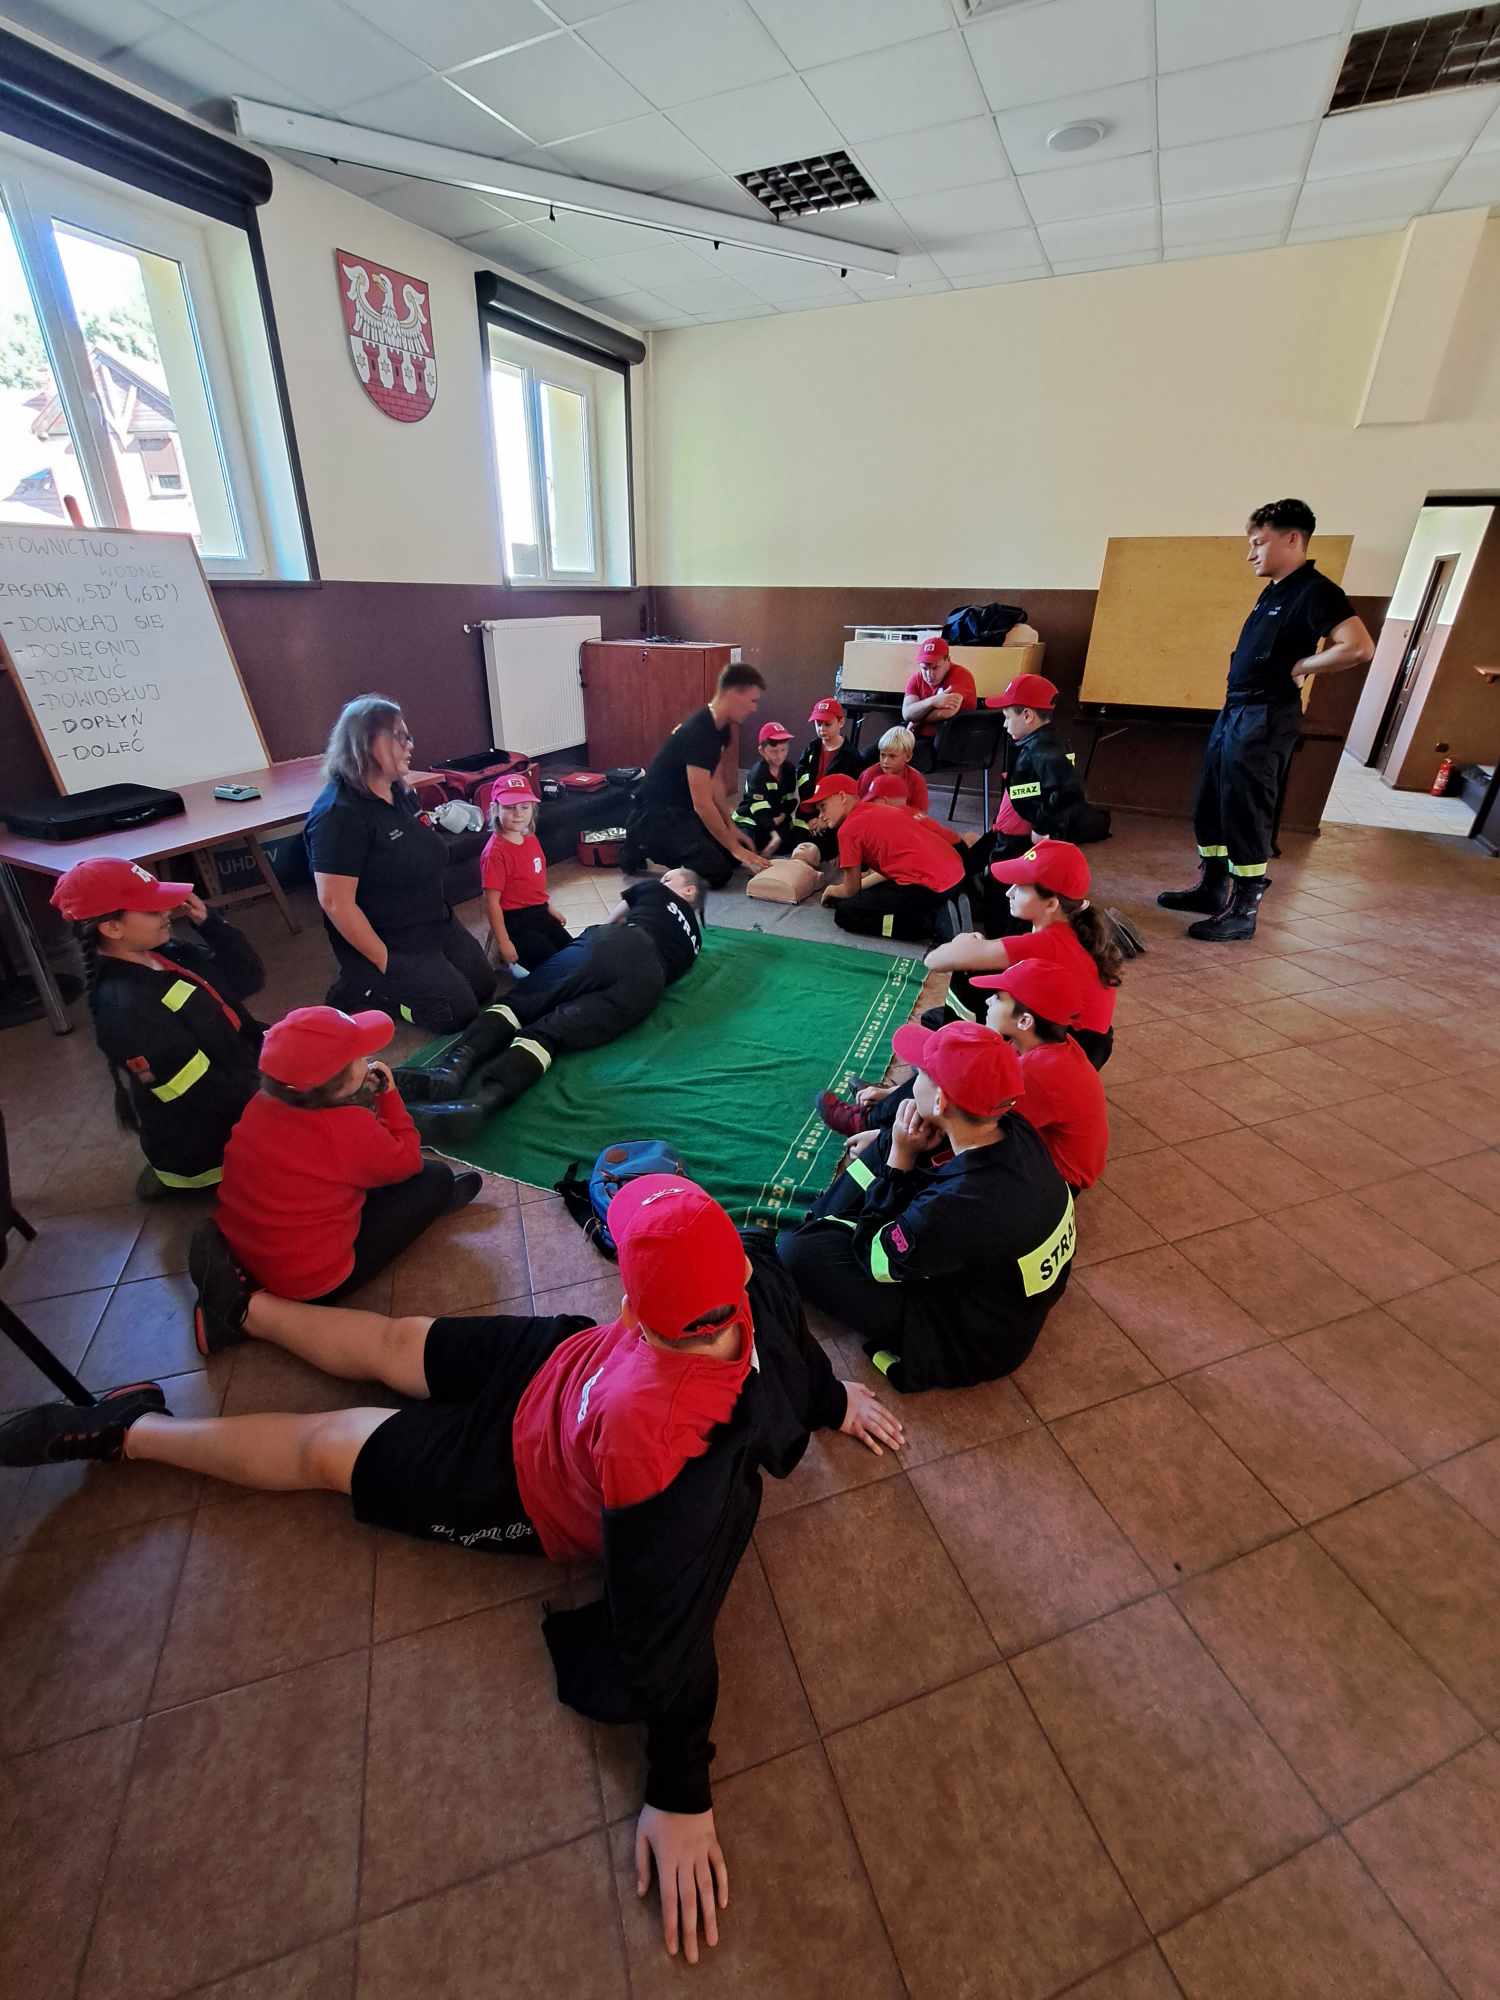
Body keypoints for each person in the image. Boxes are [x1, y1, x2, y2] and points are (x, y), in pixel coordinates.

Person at [0, 1175, 906, 1967]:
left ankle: (130, 1432)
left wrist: (680, 1790)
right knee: (400, 1343)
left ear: (632, 1312)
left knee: (329, 1447)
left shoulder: (656, 1447)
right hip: (561, 1364)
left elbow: (663, 1614)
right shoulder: (749, 1282)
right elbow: (792, 1356)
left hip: (517, 1480)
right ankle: (249, 1313)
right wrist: (833, 1399)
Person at [778, 1021, 1075, 1392]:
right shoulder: (1013, 1129)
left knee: (798, 1251)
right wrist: (894, 1146)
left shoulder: (959, 1205)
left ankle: (824, 1222)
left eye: (920, 1073)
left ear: (941, 1101)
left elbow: (878, 1261)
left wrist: (899, 1161)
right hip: (1001, 1303)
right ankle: (826, 1215)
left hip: (969, 1340)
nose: (913, 1078)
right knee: (901, 1134)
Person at [1158, 499, 1373, 942]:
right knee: (1212, 801)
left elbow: (1357, 646)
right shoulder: (1275, 590)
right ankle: (1213, 889)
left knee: (1246, 807)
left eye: (1259, 543)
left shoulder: (1315, 590)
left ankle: (1244, 909)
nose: (1250, 554)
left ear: (1292, 539)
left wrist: (1304, 666)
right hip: (1236, 710)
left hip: (1266, 716)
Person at [207, 1004, 480, 1314]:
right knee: (434, 1178)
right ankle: (433, 1205)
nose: (367, 1060)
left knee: (351, 1174)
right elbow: (408, 1161)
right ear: (342, 1085)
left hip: (248, 1249)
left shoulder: (262, 1101)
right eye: (359, 1059)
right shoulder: (346, 1128)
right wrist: (389, 1096)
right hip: (311, 1283)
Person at [399, 871, 709, 1142]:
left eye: (669, 877)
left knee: (520, 1004)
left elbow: (615, 916)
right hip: (647, 987)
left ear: (688, 890)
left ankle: (450, 1071)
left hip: (618, 943)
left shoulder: (657, 891)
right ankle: (482, 1103)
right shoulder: (695, 940)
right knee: (549, 1035)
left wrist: (593, 939)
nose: (662, 880)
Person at [51, 856, 267, 1199]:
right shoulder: (124, 1005)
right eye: (152, 910)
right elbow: (202, 1092)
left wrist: (211, 924)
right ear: (112, 928)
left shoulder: (166, 953)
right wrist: (280, 1102)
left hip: (244, 1085)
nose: (167, 911)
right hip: (213, 1148)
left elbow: (247, 979)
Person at [817, 962, 1109, 1192]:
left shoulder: (1036, 1074)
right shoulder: (1037, 1045)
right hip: (1029, 1146)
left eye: (998, 998)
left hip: (1054, 1179)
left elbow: (971, 1127)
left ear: (1024, 1020)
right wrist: (891, 1099)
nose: (988, 1002)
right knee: (945, 1068)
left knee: (928, 1147)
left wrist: (888, 1142)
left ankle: (873, 1133)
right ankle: (874, 1118)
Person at [305, 694, 497, 1030]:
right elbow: (335, 903)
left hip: (433, 921)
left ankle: (411, 978)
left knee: (484, 986)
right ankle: (369, 991)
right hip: (391, 940)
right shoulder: (338, 815)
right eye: (400, 737)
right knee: (456, 1012)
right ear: (367, 743)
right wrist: (385, 962)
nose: (410, 745)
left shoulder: (399, 791)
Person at [925, 838, 1121, 1068]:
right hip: (1090, 1044)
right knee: (992, 974)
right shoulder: (1071, 928)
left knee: (968, 973)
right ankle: (964, 1030)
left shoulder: (1046, 942)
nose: (1009, 893)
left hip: (1069, 1052)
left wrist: (963, 942)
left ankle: (953, 1059)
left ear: (1051, 904)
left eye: (1020, 887)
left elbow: (934, 961)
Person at [624, 664, 770, 887]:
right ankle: (640, 844)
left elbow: (715, 782)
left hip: (682, 810)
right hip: (656, 816)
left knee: (735, 853)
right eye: (752, 700)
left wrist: (730, 828)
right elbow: (702, 804)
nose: (754, 708)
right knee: (719, 872)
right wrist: (734, 847)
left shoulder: (722, 729)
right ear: (733, 694)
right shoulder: (699, 733)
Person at [796, 774, 970, 942]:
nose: (821, 815)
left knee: (846, 912)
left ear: (842, 797)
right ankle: (946, 903)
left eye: (823, 806)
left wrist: (832, 890)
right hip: (956, 873)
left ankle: (931, 922)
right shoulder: (881, 810)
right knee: (873, 896)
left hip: (930, 886)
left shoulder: (848, 830)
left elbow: (851, 889)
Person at [480, 772, 572, 970]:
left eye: (524, 807)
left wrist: (548, 907)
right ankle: (502, 956)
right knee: (554, 967)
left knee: (573, 952)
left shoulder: (530, 838)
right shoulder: (494, 853)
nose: (518, 814)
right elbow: (491, 903)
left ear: (532, 808)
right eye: (509, 807)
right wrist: (504, 942)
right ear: (495, 809)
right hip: (515, 920)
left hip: (539, 911)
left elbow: (532, 883)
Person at [731, 720, 807, 855]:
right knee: (746, 842)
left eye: (783, 750)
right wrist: (773, 832)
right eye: (774, 751)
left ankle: (768, 843)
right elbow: (758, 809)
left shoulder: (789, 770)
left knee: (794, 840)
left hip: (777, 817)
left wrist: (782, 816)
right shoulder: (757, 774)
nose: (779, 756)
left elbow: (790, 800)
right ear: (762, 751)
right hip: (753, 818)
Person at [902, 635, 977, 760]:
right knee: (873, 753)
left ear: (948, 660)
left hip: (947, 742)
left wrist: (917, 719)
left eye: (935, 667)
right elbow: (907, 713)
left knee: (900, 758)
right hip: (915, 736)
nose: (929, 674)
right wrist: (933, 701)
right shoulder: (916, 679)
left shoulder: (960, 675)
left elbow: (947, 712)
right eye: (924, 668)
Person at [856, 725, 930, 810]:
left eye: (892, 756)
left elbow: (920, 813)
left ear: (908, 757)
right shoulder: (869, 774)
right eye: (883, 755)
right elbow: (857, 806)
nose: (885, 761)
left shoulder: (917, 780)